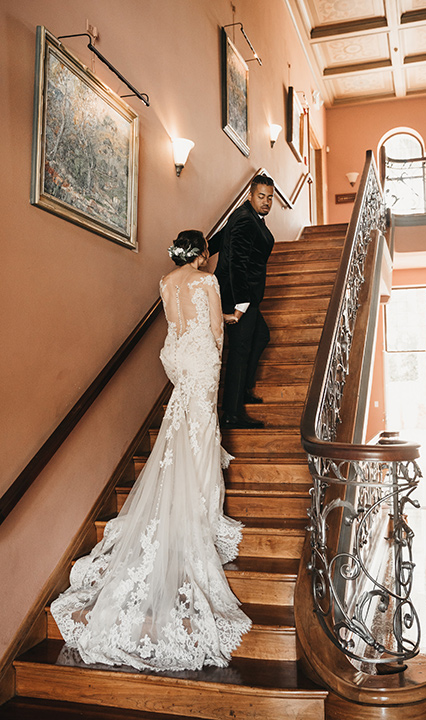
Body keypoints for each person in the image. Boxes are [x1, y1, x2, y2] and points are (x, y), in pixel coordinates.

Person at [51, 230, 251, 672]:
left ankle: (183, 495)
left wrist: (206, 334)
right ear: (201, 254)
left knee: (182, 427)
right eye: (207, 255)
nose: (208, 261)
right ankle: (200, 506)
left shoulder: (165, 282)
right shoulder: (208, 281)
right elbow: (214, 331)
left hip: (177, 354)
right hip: (200, 360)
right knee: (201, 429)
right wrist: (221, 346)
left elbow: (180, 322)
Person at [211, 174, 275, 430]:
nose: (266, 202)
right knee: (239, 351)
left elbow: (221, 238)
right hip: (239, 296)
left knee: (261, 337)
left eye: (270, 197)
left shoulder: (245, 216)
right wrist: (241, 305)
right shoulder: (246, 219)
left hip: (245, 295)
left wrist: (204, 247)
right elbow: (237, 263)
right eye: (261, 196)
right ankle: (232, 412)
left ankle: (242, 389)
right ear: (250, 195)